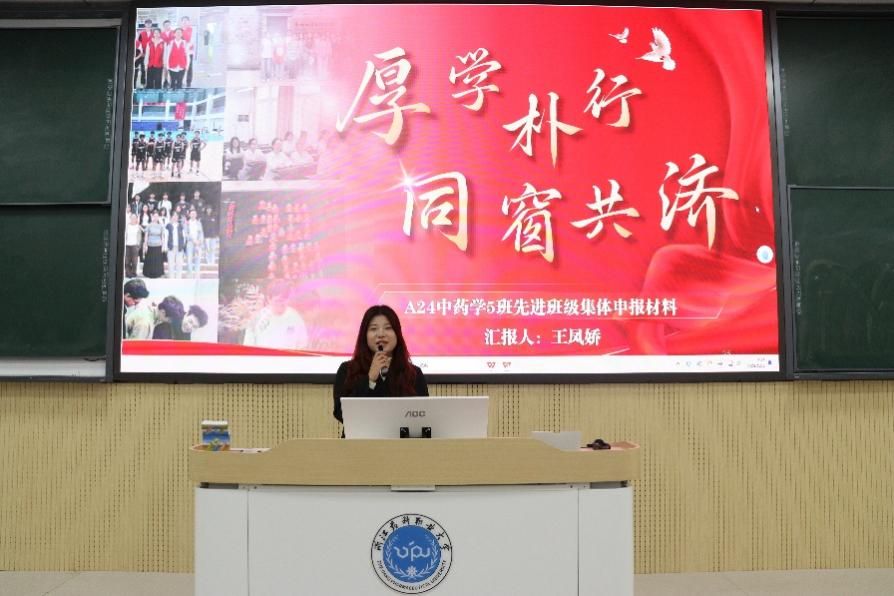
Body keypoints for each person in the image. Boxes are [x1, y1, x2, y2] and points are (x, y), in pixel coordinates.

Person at [332, 305, 429, 424]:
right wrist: (370, 380)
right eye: (373, 329)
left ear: (397, 334)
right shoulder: (347, 369)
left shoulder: (414, 373)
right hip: (361, 436)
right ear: (365, 336)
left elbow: (423, 415)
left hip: (400, 436)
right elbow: (340, 413)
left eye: (388, 328)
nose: (381, 334)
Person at [243, 281, 308, 349]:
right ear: (269, 299)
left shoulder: (295, 317)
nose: (281, 304)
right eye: (278, 301)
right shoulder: (257, 319)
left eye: (284, 300)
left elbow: (302, 345)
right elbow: (248, 346)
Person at [142, 211, 166, 278]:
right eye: (154, 216)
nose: (155, 217)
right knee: (150, 260)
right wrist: (145, 245)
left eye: (157, 216)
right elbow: (146, 236)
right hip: (150, 245)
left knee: (157, 260)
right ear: (152, 217)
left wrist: (163, 246)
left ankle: (158, 273)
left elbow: (162, 237)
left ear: (158, 217)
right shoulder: (149, 225)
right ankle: (148, 273)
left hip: (158, 245)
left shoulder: (160, 226)